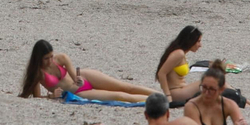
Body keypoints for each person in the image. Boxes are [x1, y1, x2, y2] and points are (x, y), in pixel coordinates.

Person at [20, 40, 154, 103]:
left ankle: (163, 95)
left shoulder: (61, 58)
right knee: (121, 96)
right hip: (78, 92)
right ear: (38, 58)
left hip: (85, 77)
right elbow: (36, 97)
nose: (50, 60)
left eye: (51, 56)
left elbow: (74, 75)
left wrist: (77, 78)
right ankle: (157, 101)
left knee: (127, 86)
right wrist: (51, 96)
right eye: (46, 58)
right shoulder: (38, 74)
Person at [182, 64, 248, 125]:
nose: (206, 92)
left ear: (221, 89)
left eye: (211, 89)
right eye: (204, 88)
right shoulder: (192, 106)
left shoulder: (228, 104)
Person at [155, 26, 206, 104]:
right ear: (190, 41)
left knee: (215, 83)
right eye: (198, 41)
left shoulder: (181, 53)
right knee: (212, 81)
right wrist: (168, 96)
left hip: (181, 89)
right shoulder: (179, 54)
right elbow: (161, 73)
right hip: (176, 93)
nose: (200, 45)